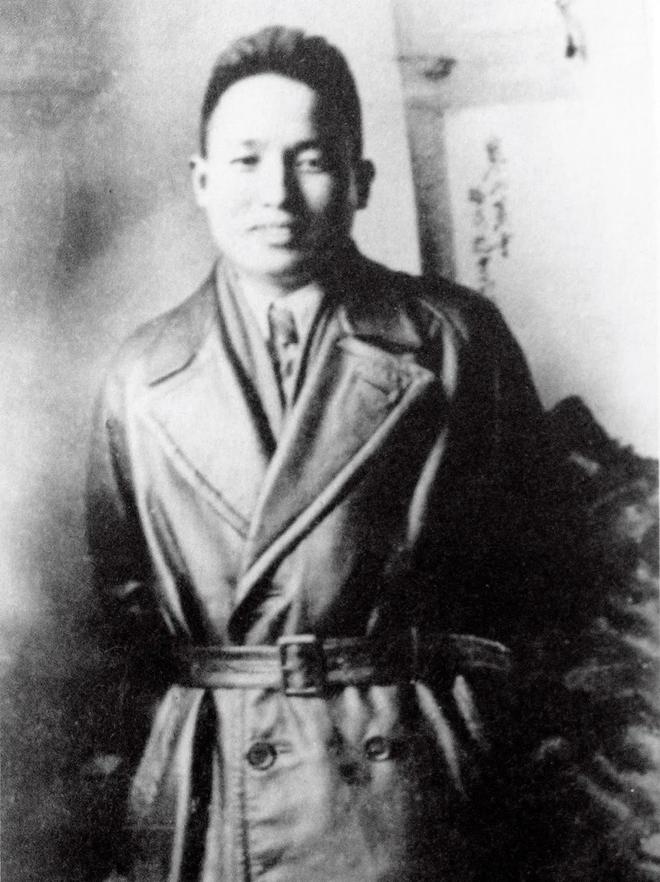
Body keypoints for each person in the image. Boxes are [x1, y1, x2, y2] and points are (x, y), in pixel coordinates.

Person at [85, 25, 659, 882]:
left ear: (360, 180)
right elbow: (125, 619)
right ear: (202, 181)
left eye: (311, 160)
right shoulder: (141, 373)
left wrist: (470, 737)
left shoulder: (454, 339)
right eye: (246, 161)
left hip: (407, 782)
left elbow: (542, 578)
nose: (277, 192)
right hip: (214, 798)